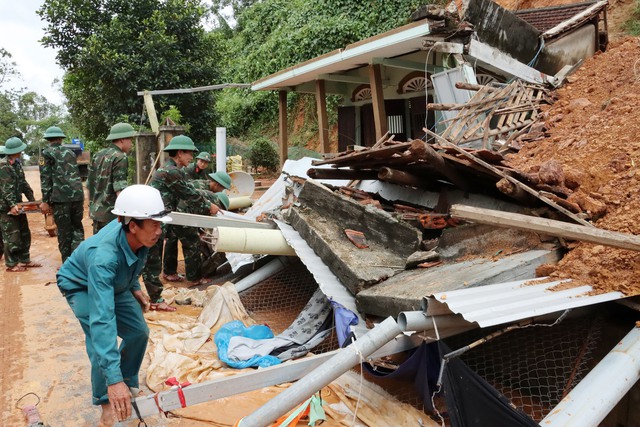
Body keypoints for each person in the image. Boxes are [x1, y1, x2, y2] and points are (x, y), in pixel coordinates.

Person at [57, 185, 176, 427]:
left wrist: (134, 286)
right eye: (154, 224)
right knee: (99, 336)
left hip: (116, 283)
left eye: (159, 223)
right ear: (133, 225)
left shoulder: (138, 233)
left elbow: (134, 260)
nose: (159, 231)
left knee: (139, 332)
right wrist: (113, 380)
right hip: (81, 285)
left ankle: (128, 381)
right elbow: (103, 319)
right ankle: (106, 399)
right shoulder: (104, 258)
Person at [141, 135, 220, 302]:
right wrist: (208, 206)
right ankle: (155, 299)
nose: (191, 158)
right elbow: (188, 194)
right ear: (179, 153)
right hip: (153, 218)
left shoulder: (173, 170)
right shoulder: (171, 171)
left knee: (165, 247)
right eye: (189, 154)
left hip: (162, 215)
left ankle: (162, 285)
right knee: (153, 257)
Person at [162, 170, 232, 283]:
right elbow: (201, 215)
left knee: (179, 240)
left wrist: (200, 231)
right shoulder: (212, 200)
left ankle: (170, 272)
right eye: (222, 188)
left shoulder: (208, 193)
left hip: (178, 211)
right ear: (217, 184)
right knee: (192, 244)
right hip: (181, 212)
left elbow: (199, 214)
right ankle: (194, 278)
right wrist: (199, 232)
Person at [39, 126, 85, 262]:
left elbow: (45, 178)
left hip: (61, 198)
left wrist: (45, 200)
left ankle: (68, 263)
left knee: (64, 232)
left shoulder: (46, 153)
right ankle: (79, 260)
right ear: (60, 138)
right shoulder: (70, 152)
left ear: (48, 139)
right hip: (77, 196)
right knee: (77, 228)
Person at [0, 137, 41, 272]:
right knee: (11, 235)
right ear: (17, 151)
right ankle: (11, 264)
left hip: (18, 204)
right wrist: (12, 205)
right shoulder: (3, 166)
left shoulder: (16, 164)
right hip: (6, 207)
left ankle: (24, 260)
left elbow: (23, 183)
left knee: (24, 233)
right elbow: (6, 189)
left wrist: (32, 200)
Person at [88, 122, 135, 234]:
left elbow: (89, 184)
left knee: (99, 246)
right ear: (122, 139)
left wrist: (91, 207)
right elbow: (120, 190)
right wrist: (126, 214)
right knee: (112, 248)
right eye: (130, 140)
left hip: (96, 213)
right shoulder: (120, 157)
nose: (131, 144)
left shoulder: (98, 154)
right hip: (111, 216)